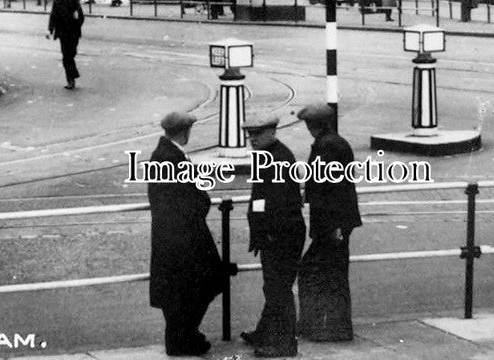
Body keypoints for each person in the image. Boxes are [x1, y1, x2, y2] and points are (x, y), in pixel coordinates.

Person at [147, 111, 227, 357]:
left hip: (170, 238)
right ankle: (184, 338)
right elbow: (195, 201)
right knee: (203, 285)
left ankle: (183, 337)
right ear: (185, 131)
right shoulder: (174, 159)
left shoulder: (162, 155)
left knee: (179, 292)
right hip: (185, 239)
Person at [295, 103, 361, 342]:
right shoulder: (332, 142)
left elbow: (332, 189)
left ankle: (321, 326)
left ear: (315, 125)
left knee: (315, 272)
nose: (307, 128)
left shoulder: (328, 146)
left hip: (332, 224)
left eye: (308, 124)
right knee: (333, 274)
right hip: (335, 223)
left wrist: (335, 228)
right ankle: (332, 326)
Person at [241, 113, 305, 358]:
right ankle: (265, 332)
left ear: (272, 132)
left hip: (281, 236)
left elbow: (277, 205)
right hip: (274, 234)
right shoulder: (267, 156)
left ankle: (285, 344)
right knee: (275, 287)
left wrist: (267, 234)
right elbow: (260, 200)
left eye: (257, 134)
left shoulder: (278, 159)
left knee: (279, 289)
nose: (252, 139)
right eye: (250, 135)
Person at [48, 0, 85, 89]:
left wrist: (77, 25)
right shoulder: (57, 2)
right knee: (66, 56)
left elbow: (81, 15)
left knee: (71, 54)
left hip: (73, 32)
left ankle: (72, 76)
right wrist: (50, 30)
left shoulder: (73, 0)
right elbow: (53, 16)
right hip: (62, 32)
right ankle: (70, 79)